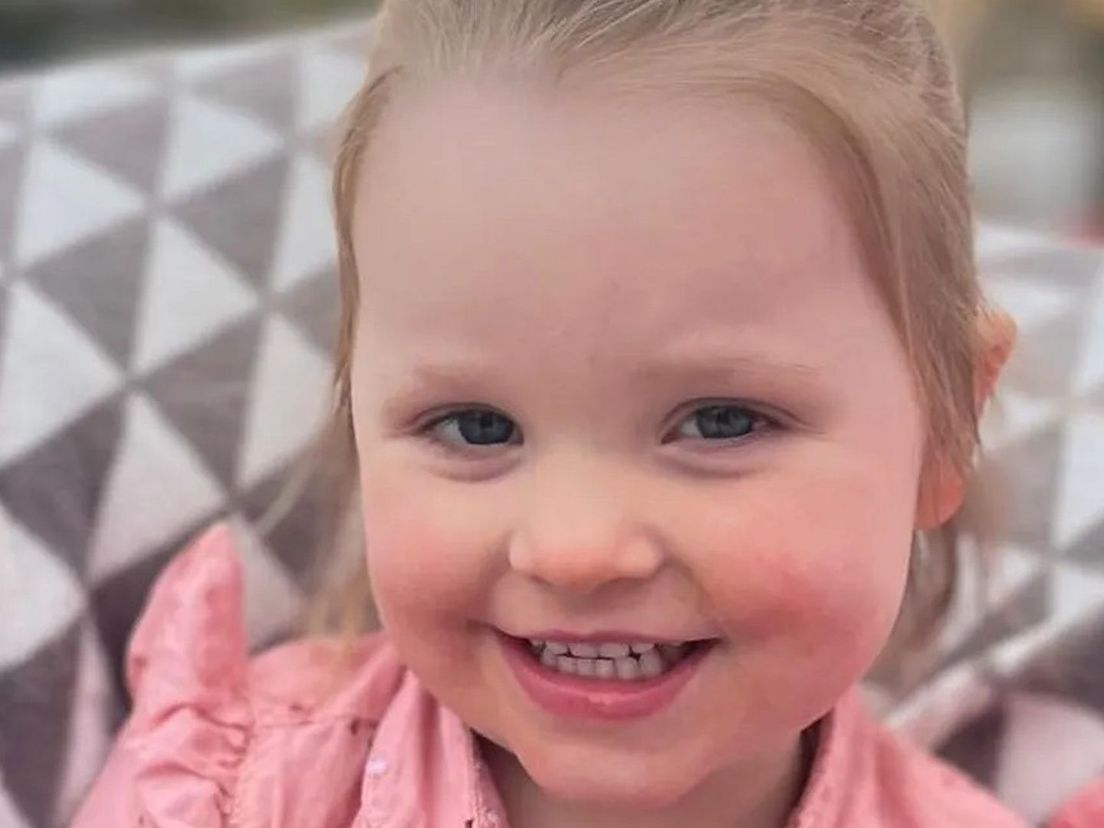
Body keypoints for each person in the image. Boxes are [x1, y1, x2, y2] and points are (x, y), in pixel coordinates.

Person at [72, 1, 1030, 825]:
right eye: (476, 427)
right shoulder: (227, 798)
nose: (575, 550)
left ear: (946, 425)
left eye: (722, 421)